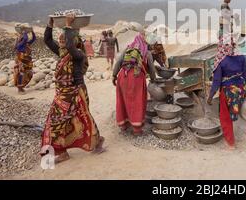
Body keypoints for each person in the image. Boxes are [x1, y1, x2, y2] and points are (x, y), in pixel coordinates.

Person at [41, 14, 105, 163]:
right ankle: (62, 153)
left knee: (83, 118)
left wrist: (68, 25)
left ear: (74, 41)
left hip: (76, 92)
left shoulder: (78, 55)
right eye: (61, 38)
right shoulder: (62, 52)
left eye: (65, 38)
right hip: (62, 95)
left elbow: (70, 45)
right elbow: (48, 40)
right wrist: (49, 24)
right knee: (57, 122)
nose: (62, 40)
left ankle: (98, 140)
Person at [112, 27, 156, 136]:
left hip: (123, 75)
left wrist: (114, 76)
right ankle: (137, 130)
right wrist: (154, 80)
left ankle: (123, 126)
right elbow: (151, 68)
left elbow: (118, 63)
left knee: (123, 101)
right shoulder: (146, 52)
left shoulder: (128, 49)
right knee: (137, 102)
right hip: (137, 78)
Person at [207, 35, 246, 149]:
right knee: (233, 111)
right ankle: (233, 122)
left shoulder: (221, 60)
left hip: (227, 91)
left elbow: (216, 81)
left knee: (225, 116)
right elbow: (245, 74)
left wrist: (210, 97)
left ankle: (231, 143)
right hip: (240, 88)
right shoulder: (241, 57)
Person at [13, 27, 36, 93]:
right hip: (21, 61)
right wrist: (24, 31)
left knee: (29, 73)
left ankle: (22, 87)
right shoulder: (19, 45)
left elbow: (34, 39)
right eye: (20, 37)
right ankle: (20, 88)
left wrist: (32, 31)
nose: (22, 37)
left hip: (27, 61)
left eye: (21, 36)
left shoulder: (26, 44)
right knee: (21, 73)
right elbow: (25, 38)